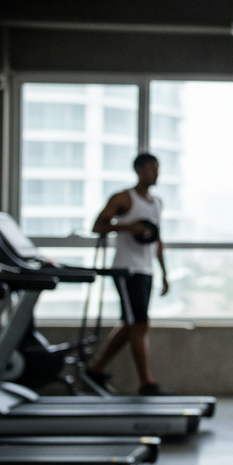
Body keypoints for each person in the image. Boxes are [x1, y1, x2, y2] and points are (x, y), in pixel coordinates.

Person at [88, 152, 173, 396]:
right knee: (139, 323)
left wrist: (164, 273)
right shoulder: (124, 198)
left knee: (133, 325)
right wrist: (127, 226)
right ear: (138, 170)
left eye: (157, 168)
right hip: (126, 269)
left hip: (145, 270)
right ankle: (146, 382)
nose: (155, 173)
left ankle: (95, 369)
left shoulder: (156, 203)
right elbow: (98, 225)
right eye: (150, 168)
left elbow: (158, 240)